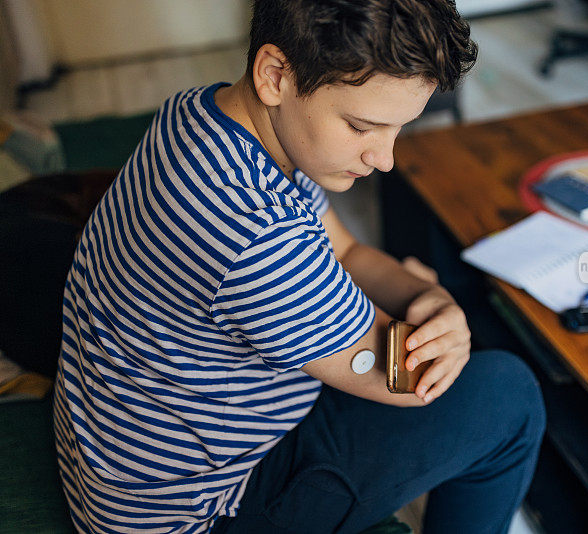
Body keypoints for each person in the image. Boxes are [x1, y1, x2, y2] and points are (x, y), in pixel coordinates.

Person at [53, 1, 546, 532]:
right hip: (195, 512)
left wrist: (434, 301)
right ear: (275, 75)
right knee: (508, 396)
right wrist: (449, 323)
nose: (385, 158)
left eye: (398, 129)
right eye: (362, 127)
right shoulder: (253, 230)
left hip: (125, 464)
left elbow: (346, 253)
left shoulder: (202, 112)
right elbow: (409, 377)